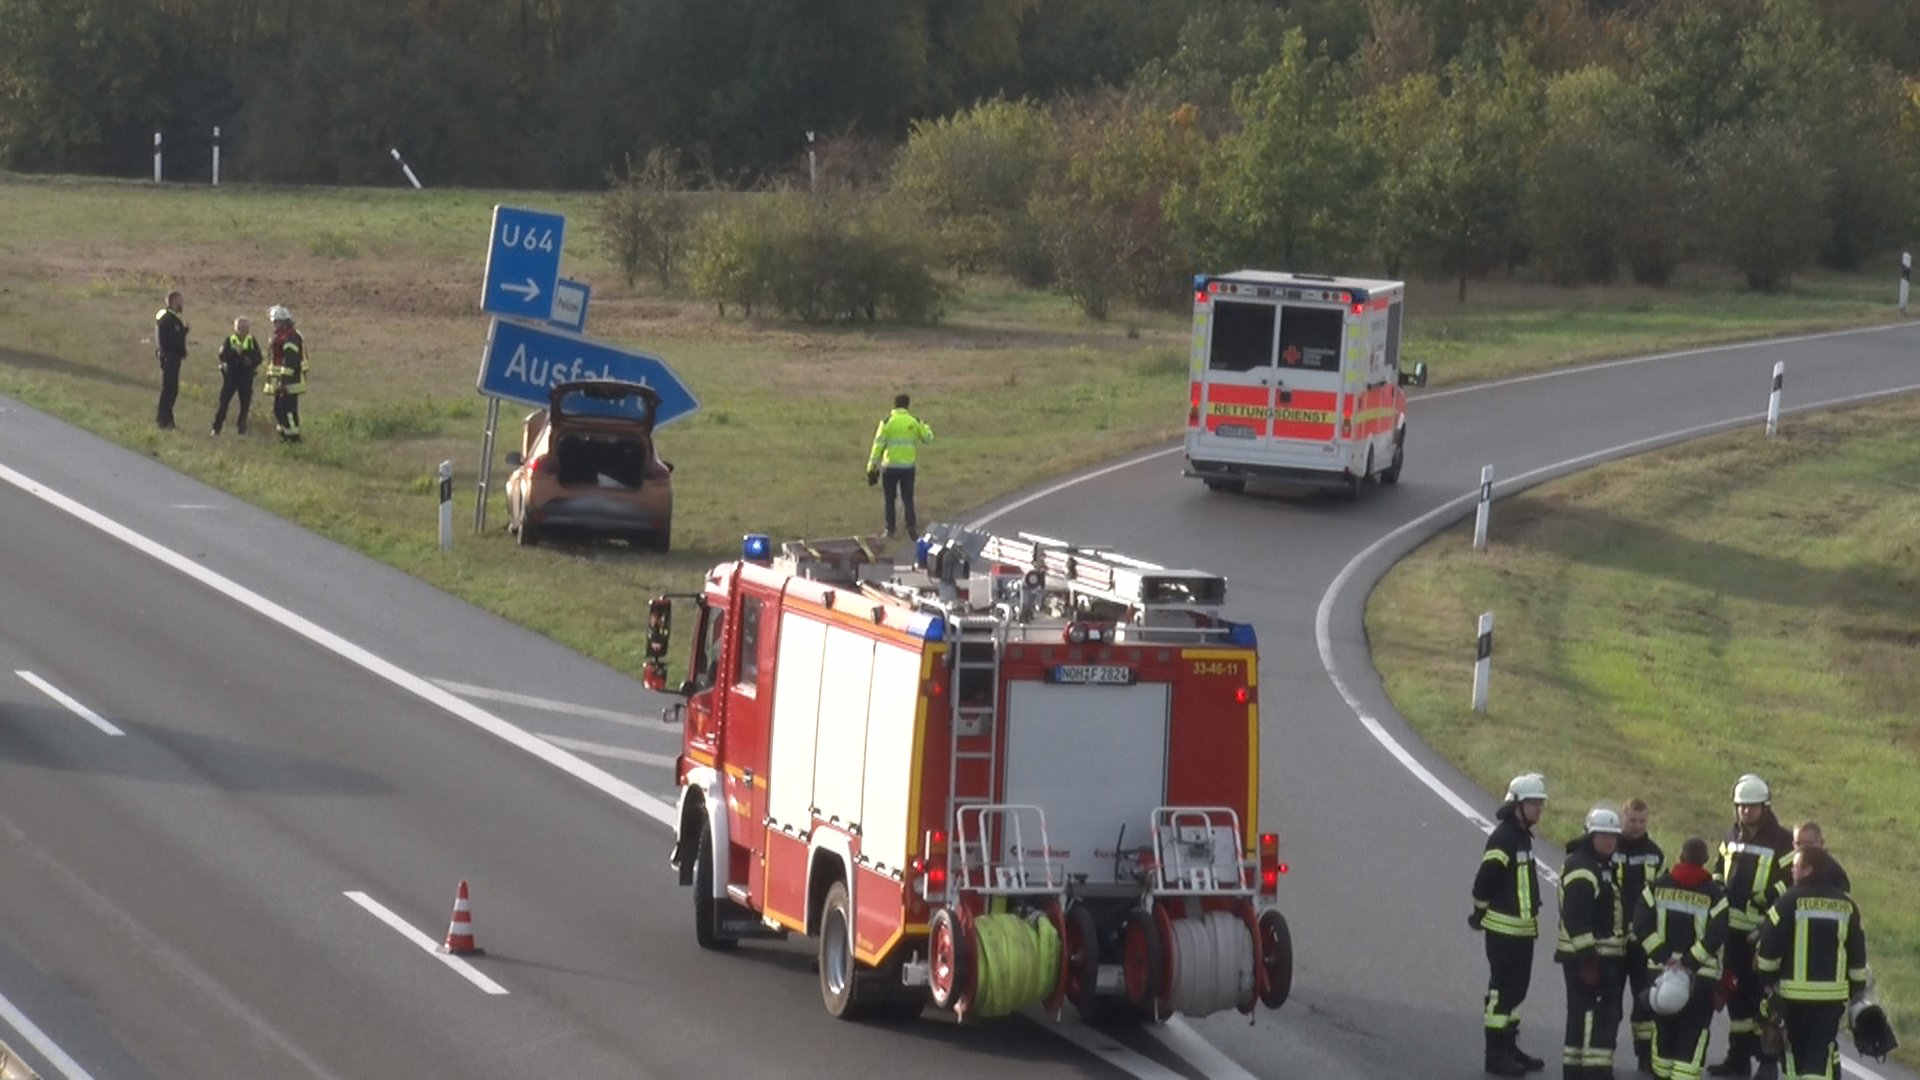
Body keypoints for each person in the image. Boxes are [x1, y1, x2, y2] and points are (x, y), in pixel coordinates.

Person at [1753, 847, 1869, 1080]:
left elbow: (1767, 953)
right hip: (1830, 1001)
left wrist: (1767, 984)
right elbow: (1857, 956)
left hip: (1792, 998)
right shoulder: (1847, 906)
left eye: (1795, 866)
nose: (1792, 871)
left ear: (1808, 869)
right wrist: (1857, 991)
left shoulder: (1786, 902)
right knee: (1820, 1055)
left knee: (1794, 1056)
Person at [1709, 774, 1796, 1078]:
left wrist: (1767, 897)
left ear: (1765, 807)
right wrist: (1719, 888)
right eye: (1741, 806)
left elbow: (1791, 883)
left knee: (1763, 999)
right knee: (1735, 994)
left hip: (1763, 933)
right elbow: (1718, 870)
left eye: (1752, 807)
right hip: (1732, 932)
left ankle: (1768, 1062)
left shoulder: (1782, 841)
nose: (1745, 812)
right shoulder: (1730, 836)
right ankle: (1738, 1058)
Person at [1471, 772, 1550, 1076]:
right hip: (1504, 931)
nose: (1539, 810)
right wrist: (1479, 913)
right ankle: (1495, 1056)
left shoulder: (1521, 837)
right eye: (1534, 804)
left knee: (1516, 993)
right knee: (1502, 993)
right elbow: (1484, 881)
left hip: (1522, 931)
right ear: (1517, 804)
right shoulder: (1504, 837)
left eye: (1540, 804)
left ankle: (1509, 1047)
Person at [1633, 837, 1729, 1080]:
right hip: (1700, 977)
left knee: (1663, 1031)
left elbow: (1641, 925)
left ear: (1680, 857)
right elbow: (1717, 934)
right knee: (1693, 1033)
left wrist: (1665, 957)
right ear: (1705, 862)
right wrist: (1689, 962)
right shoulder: (1715, 895)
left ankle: (1661, 1074)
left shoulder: (1656, 887)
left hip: (1660, 973)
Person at [1558, 805, 1626, 1080]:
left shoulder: (1599, 865)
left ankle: (1575, 1070)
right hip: (1590, 958)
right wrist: (1588, 960)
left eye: (1613, 836)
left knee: (1583, 1016)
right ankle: (1595, 1072)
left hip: (1599, 956)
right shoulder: (1583, 869)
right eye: (1603, 836)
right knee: (1597, 1019)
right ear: (1590, 836)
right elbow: (1576, 917)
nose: (1609, 841)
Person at [1614, 798, 1667, 1074]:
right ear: (1623, 818)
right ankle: (1602, 1056)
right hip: (1612, 941)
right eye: (1632, 820)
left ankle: (1645, 1056)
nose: (1636, 826)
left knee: (1644, 1001)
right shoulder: (1610, 847)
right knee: (1610, 1002)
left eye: (1642, 821)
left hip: (1642, 944)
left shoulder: (1655, 854)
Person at [865, 392, 934, 539]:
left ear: (894, 405)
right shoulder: (914, 421)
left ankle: (890, 529)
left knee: (889, 499)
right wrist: (925, 426)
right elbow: (928, 439)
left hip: (889, 467)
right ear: (908, 405)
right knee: (908, 498)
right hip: (908, 468)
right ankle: (911, 528)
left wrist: (871, 467)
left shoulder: (887, 422)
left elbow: (877, 445)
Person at [211, 316, 262, 436]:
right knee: (223, 403)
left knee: (245, 405)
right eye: (240, 328)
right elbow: (222, 356)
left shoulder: (252, 340)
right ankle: (216, 428)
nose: (243, 330)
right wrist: (235, 354)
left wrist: (249, 360)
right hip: (231, 377)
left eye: (245, 328)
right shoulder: (230, 340)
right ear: (235, 328)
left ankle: (242, 429)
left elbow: (259, 357)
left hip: (246, 377)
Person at [263, 304, 307, 443]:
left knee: (288, 411)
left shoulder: (291, 336)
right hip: (282, 382)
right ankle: (283, 435)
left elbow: (290, 361)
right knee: (278, 409)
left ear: (283, 321)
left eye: (276, 321)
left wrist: (284, 382)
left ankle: (293, 438)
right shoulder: (282, 335)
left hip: (289, 382)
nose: (274, 324)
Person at [154, 290, 189, 429]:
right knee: (169, 389)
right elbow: (167, 338)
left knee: (172, 389)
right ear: (174, 301)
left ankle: (167, 419)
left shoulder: (173, 318)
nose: (182, 303)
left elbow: (174, 335)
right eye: (180, 300)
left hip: (173, 357)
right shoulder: (167, 318)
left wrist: (183, 331)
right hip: (170, 358)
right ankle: (163, 420)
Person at [1791, 822, 1851, 893]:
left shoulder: (1831, 868)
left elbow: (1843, 890)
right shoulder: (1786, 863)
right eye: (1798, 844)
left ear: (1821, 843)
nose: (1804, 848)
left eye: (1809, 844)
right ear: (1793, 844)